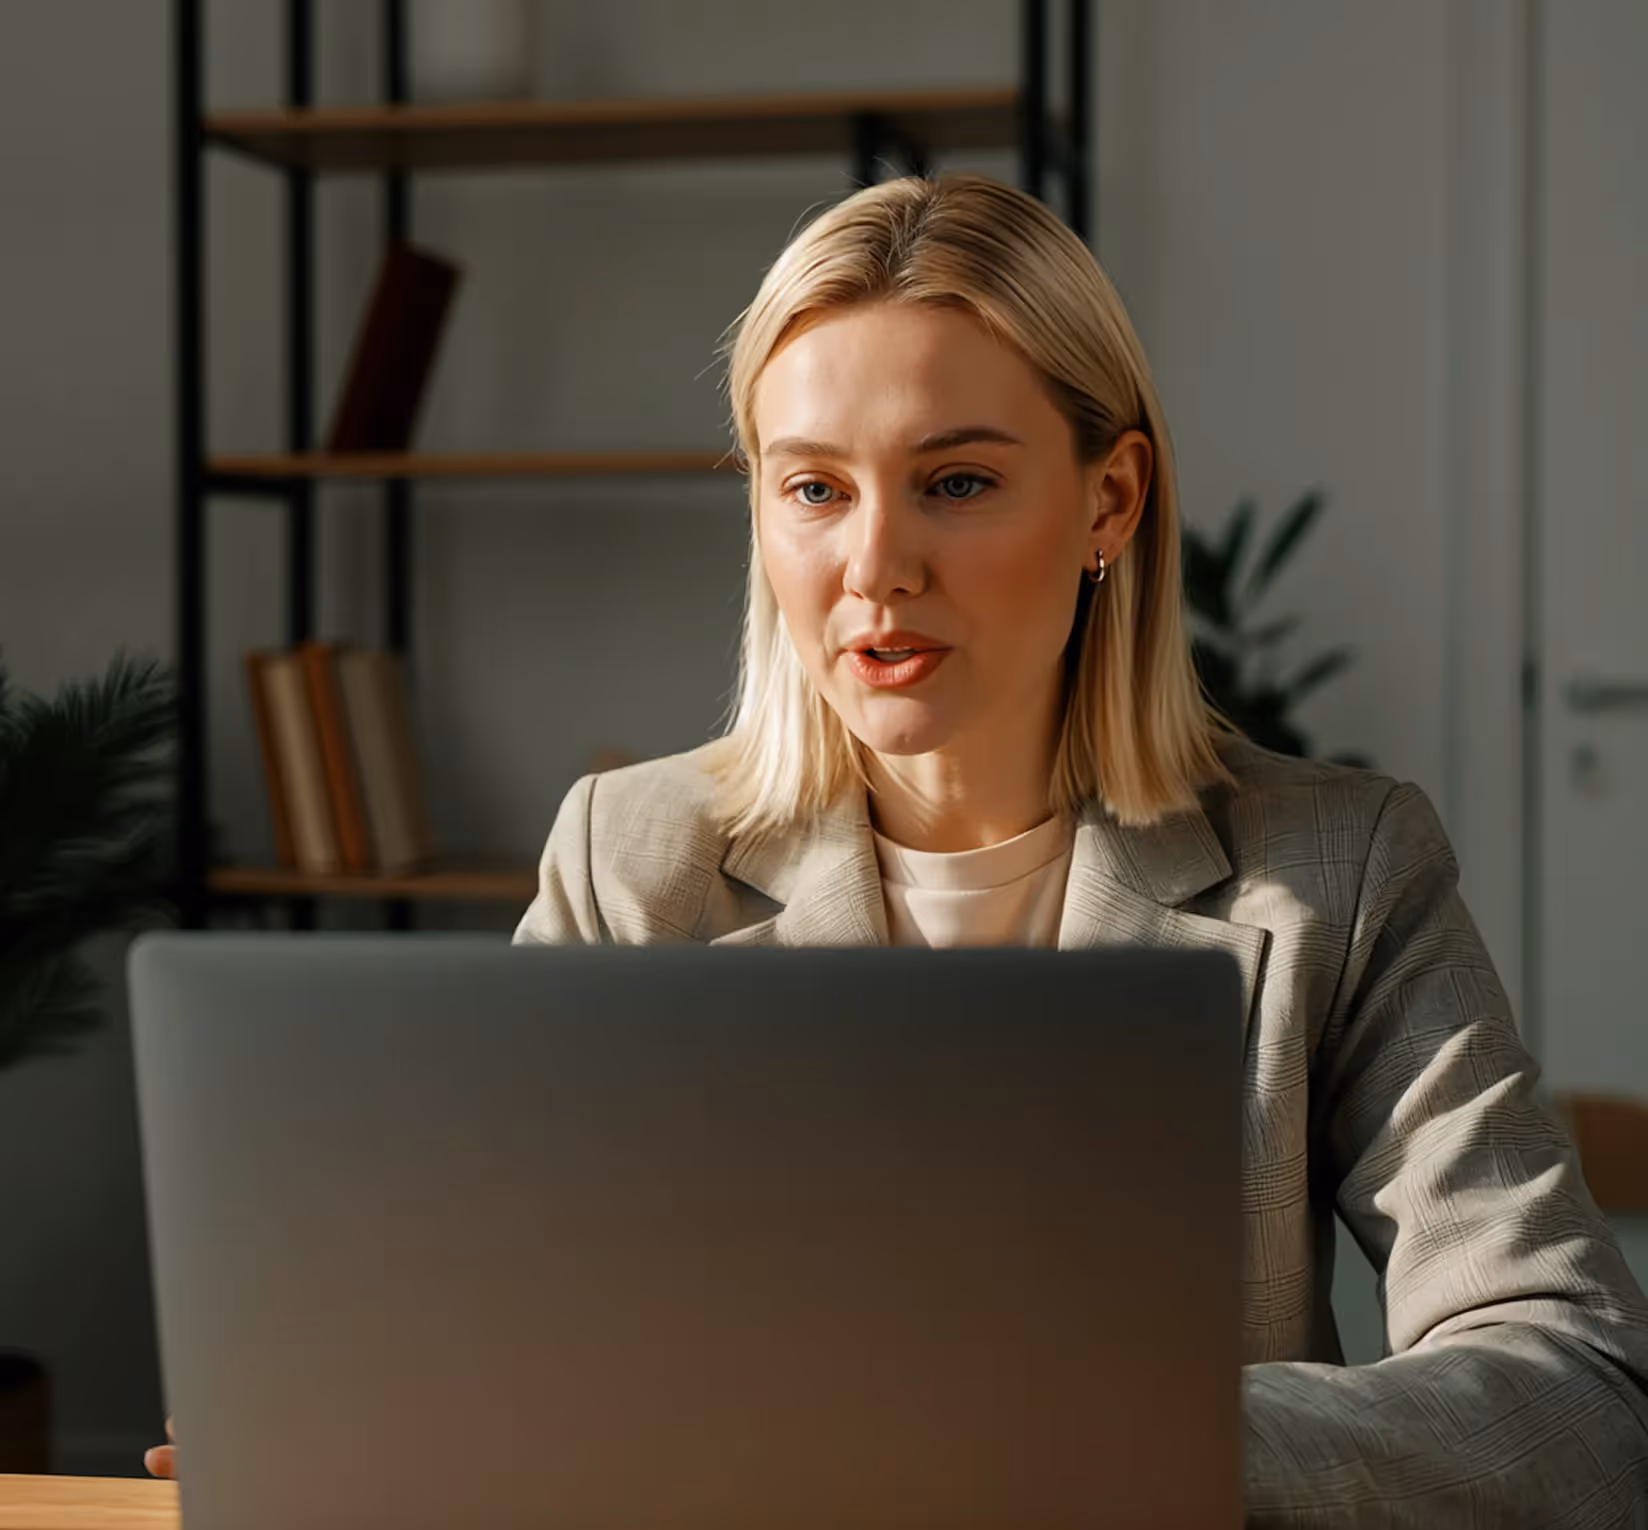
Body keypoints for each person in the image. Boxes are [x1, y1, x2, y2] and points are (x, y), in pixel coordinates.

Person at [150, 173, 1648, 1523]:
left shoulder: (1339, 870)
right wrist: (349, 1422)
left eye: (958, 480)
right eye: (814, 489)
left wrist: (1098, 1451)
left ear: (1107, 499)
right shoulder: (631, 857)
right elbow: (485, 1339)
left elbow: (1572, 1397)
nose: (874, 568)